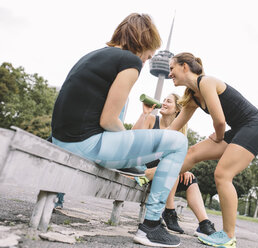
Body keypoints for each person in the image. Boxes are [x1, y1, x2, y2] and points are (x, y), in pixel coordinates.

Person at [51, 13, 188, 247]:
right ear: (144, 41)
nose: (151, 57)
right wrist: (129, 143)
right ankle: (152, 225)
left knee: (139, 158)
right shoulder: (130, 61)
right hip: (86, 145)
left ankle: (135, 171)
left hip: (60, 141)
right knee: (178, 142)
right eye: (151, 51)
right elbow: (108, 120)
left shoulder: (93, 55)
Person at [167, 52, 258, 248]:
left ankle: (228, 235)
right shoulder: (192, 97)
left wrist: (219, 136)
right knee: (192, 154)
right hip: (238, 130)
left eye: (172, 68)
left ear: (185, 67)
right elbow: (172, 130)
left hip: (254, 128)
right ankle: (149, 174)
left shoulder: (206, 82)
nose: (170, 73)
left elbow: (220, 121)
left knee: (222, 174)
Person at [132, 93, 216, 237]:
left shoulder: (179, 132)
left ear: (177, 109)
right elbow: (132, 138)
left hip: (162, 176)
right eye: (163, 100)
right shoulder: (152, 120)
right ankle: (169, 211)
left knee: (190, 179)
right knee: (173, 168)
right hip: (145, 168)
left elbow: (182, 159)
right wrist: (144, 114)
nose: (163, 103)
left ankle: (204, 224)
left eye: (168, 101)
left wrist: (185, 170)